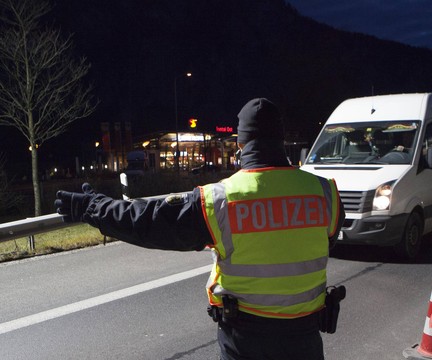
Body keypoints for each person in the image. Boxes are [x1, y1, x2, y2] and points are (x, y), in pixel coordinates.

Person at [54, 98, 345, 360]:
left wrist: (94, 208)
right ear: (281, 140)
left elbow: (148, 221)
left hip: (246, 341)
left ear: (242, 145)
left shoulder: (221, 199)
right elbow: (320, 243)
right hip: (305, 340)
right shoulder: (324, 193)